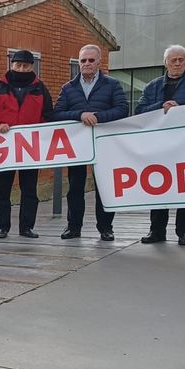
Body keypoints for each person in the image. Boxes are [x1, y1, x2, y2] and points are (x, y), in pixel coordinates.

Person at [135, 44, 185, 245]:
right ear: (165, 63)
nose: (177, 63)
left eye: (181, 60)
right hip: (159, 144)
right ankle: (157, 231)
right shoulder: (152, 86)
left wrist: (182, 109)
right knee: (158, 186)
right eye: (173, 60)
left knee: (184, 188)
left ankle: (184, 232)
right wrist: (160, 107)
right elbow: (140, 111)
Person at [51, 44, 130, 241]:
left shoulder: (112, 84)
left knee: (103, 187)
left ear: (99, 62)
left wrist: (98, 117)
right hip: (77, 145)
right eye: (83, 60)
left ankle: (105, 228)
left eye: (91, 60)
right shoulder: (68, 88)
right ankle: (73, 227)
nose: (86, 64)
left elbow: (122, 109)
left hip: (104, 143)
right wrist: (80, 115)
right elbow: (57, 114)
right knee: (75, 188)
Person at [0, 50, 53, 239]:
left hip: (29, 148)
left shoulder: (40, 89)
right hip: (3, 148)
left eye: (25, 66)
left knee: (29, 189)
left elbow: (49, 117)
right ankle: (2, 227)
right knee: (2, 189)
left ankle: (26, 227)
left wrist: (38, 133)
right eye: (18, 65)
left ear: (32, 67)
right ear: (11, 65)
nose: (21, 69)